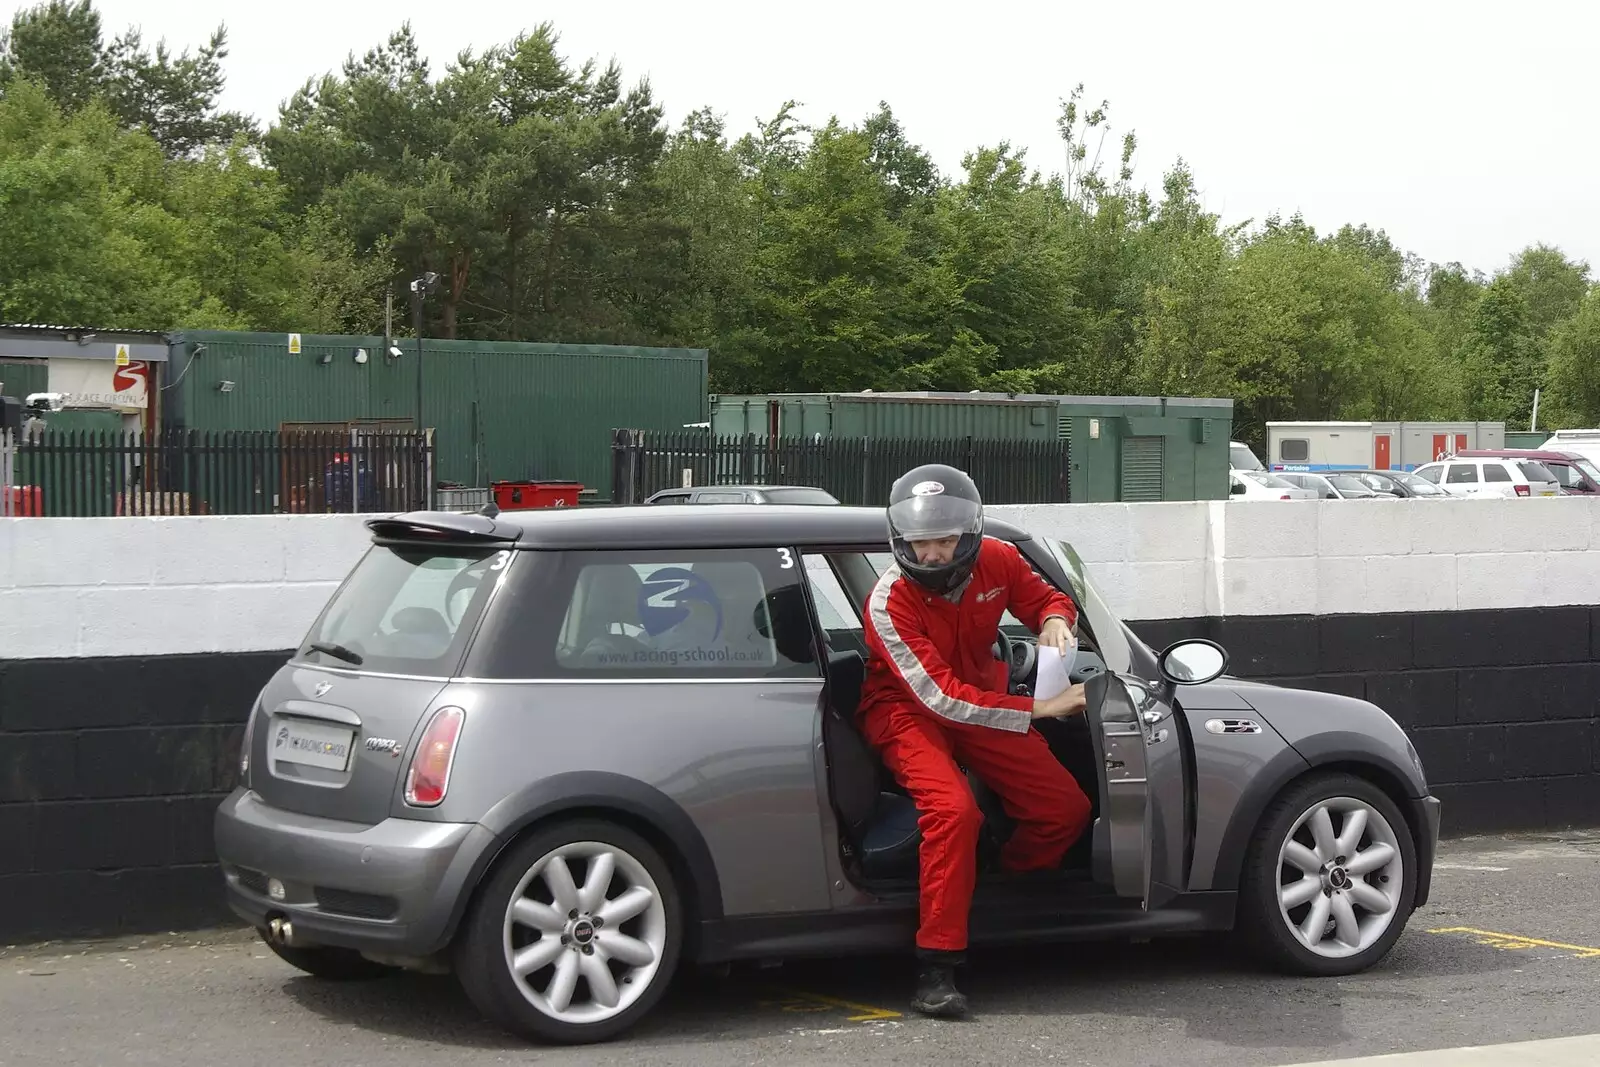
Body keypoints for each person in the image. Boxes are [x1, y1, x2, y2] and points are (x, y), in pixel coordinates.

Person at [857, 463, 1094, 1017]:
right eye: (920, 543)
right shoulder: (887, 602)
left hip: (983, 703)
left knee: (1064, 809)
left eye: (944, 541)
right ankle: (936, 965)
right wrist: (1041, 708)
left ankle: (995, 899)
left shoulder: (1001, 558)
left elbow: (1047, 600)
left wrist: (1058, 620)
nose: (933, 555)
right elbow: (938, 698)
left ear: (969, 535)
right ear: (900, 540)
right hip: (907, 712)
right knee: (953, 813)